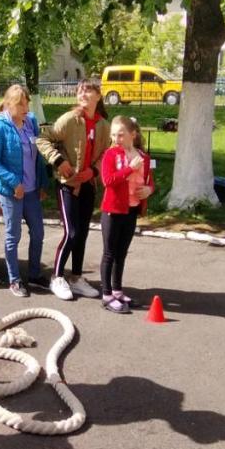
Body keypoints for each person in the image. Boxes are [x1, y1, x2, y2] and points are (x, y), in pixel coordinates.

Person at [36, 79, 110, 301]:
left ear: (98, 96)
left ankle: (76, 278)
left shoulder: (103, 125)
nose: (83, 95)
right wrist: (59, 161)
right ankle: (57, 277)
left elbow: (106, 153)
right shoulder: (69, 119)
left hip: (88, 185)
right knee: (72, 232)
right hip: (68, 184)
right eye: (80, 91)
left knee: (83, 233)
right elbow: (43, 139)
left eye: (88, 91)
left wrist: (94, 171)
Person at [0, 84, 49, 298]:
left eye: (26, 103)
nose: (26, 108)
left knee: (38, 233)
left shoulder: (31, 122)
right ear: (9, 104)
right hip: (11, 192)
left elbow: (38, 156)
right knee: (13, 236)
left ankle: (34, 274)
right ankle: (14, 279)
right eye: (21, 104)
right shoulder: (0, 128)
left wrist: (42, 183)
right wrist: (14, 183)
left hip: (32, 190)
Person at [98, 116, 153, 314]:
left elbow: (149, 180)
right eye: (113, 135)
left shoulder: (143, 157)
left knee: (121, 253)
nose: (116, 139)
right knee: (109, 253)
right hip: (113, 211)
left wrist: (149, 189)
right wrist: (130, 169)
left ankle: (117, 290)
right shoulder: (110, 154)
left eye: (121, 135)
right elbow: (108, 180)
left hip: (131, 210)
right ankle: (106, 295)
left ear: (133, 134)